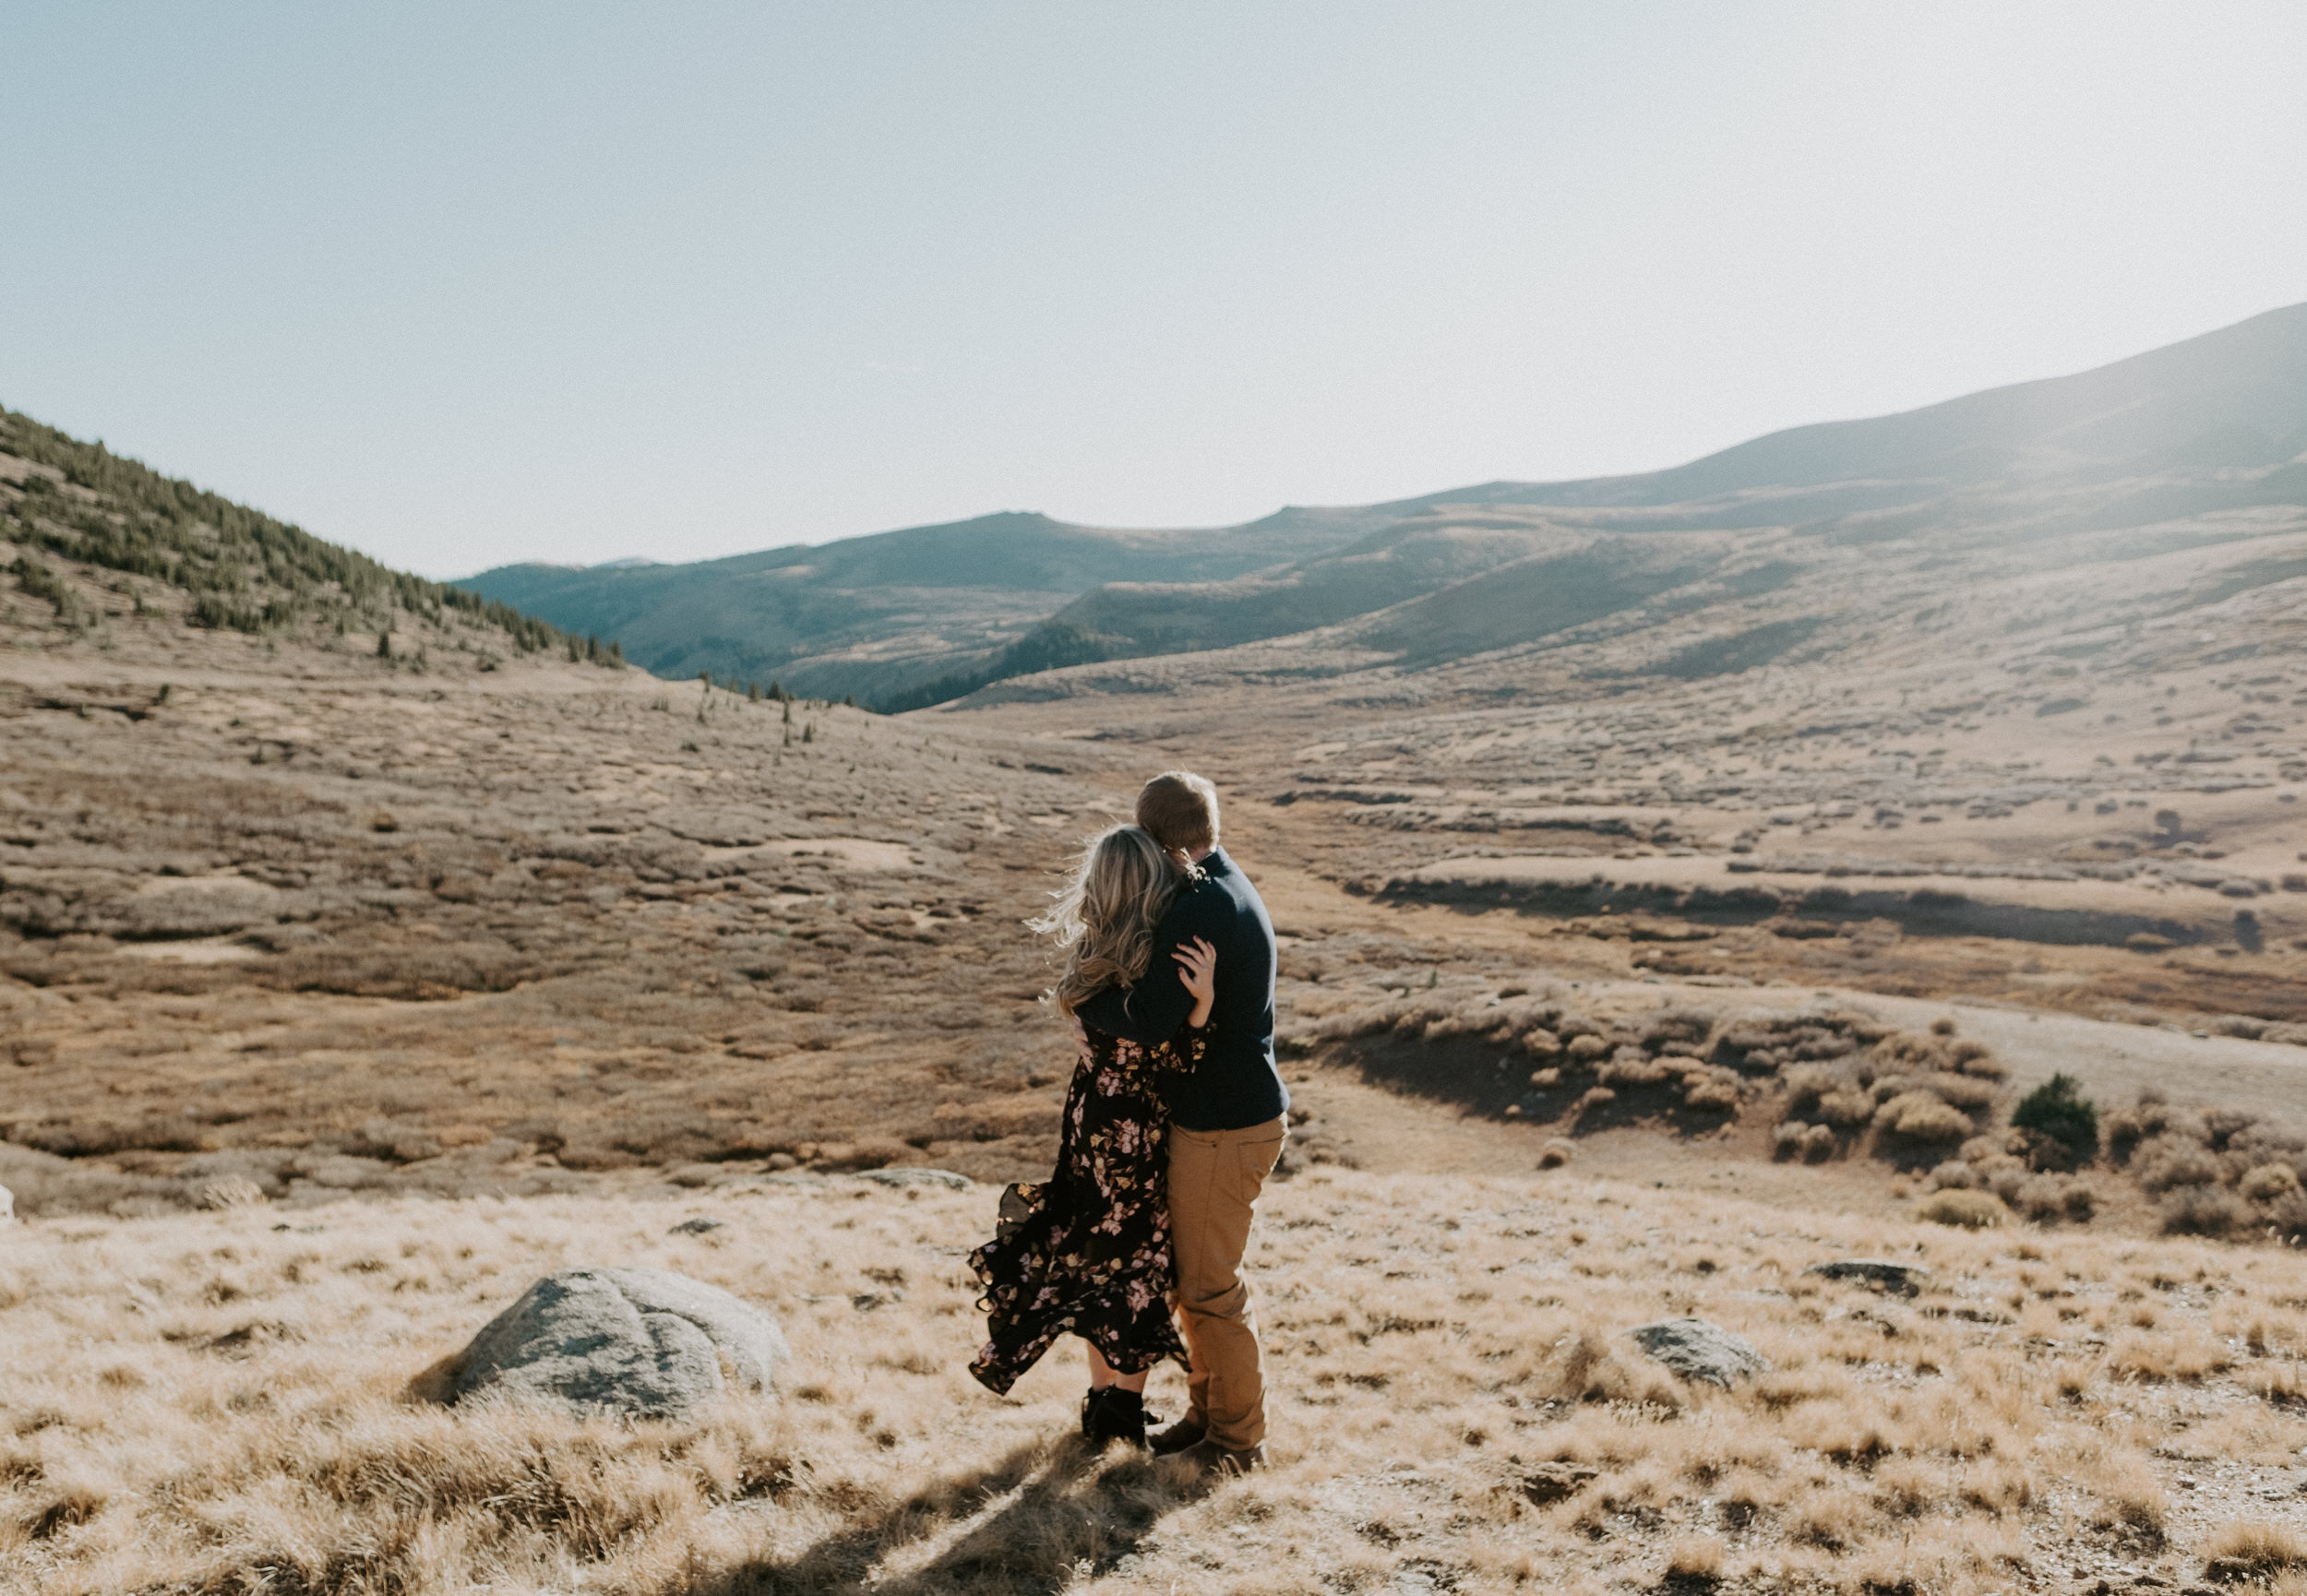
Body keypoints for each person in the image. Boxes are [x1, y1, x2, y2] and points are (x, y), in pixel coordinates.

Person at [966, 824, 1220, 1449]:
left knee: (1093, 1254)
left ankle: (1102, 1403)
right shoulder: (1153, 966)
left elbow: (1099, 1034)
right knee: (1137, 1264)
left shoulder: (1094, 947)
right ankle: (1121, 1415)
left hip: (1089, 1118)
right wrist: (1205, 1003)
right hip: (1128, 1131)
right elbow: (1179, 1061)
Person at [1074, 771, 1287, 1476]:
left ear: (1165, 848)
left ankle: (1238, 1439)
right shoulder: (1227, 883)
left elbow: (1155, 1020)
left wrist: (1080, 1005)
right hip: (1230, 1115)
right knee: (1194, 1282)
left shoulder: (1200, 906)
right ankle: (1207, 1417)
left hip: (1223, 1125)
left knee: (1210, 1290)